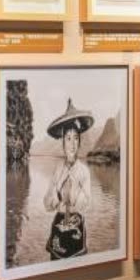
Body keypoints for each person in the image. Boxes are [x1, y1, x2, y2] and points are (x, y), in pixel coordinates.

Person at [43, 99, 93, 260]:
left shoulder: (84, 172)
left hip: (76, 229)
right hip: (58, 229)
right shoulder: (58, 170)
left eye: (76, 138)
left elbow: (86, 203)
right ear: (63, 142)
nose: (72, 144)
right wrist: (56, 197)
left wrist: (74, 188)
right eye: (68, 138)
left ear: (80, 142)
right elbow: (47, 204)